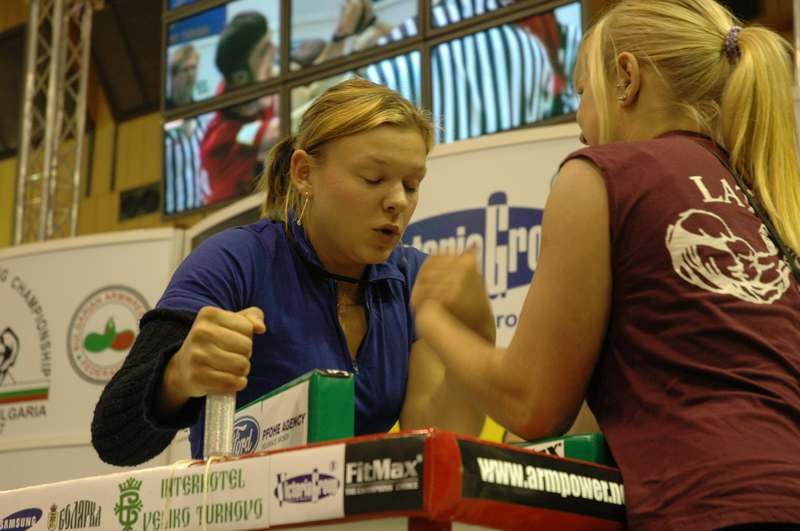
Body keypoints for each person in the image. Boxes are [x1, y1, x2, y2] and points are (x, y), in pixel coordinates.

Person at [410, 0, 800, 529]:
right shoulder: (765, 193)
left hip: (707, 505)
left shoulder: (602, 174)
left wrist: (435, 317)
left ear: (626, 77)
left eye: (581, 93)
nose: (579, 122)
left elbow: (532, 406)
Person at [91, 78, 492, 465]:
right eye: (374, 178)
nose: (397, 201)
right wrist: (177, 375)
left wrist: (476, 334)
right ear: (304, 173)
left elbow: (433, 436)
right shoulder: (235, 260)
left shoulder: (413, 279)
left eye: (411, 183)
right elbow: (115, 437)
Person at [200, 11, 281, 205]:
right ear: (241, 78)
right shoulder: (222, 141)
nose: (274, 52)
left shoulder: (250, 99)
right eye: (264, 51)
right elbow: (277, 131)